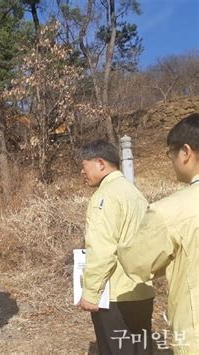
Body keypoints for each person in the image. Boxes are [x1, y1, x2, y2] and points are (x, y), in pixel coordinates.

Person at [118, 113, 199, 354]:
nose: (171, 159)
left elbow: (136, 262)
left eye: (170, 153)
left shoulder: (171, 210)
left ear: (186, 152)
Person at [76, 140, 156, 354]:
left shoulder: (105, 196)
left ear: (100, 163)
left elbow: (102, 249)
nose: (82, 173)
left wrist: (91, 292)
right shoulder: (134, 193)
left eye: (84, 166)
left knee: (116, 348)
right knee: (140, 348)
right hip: (141, 290)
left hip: (115, 295)